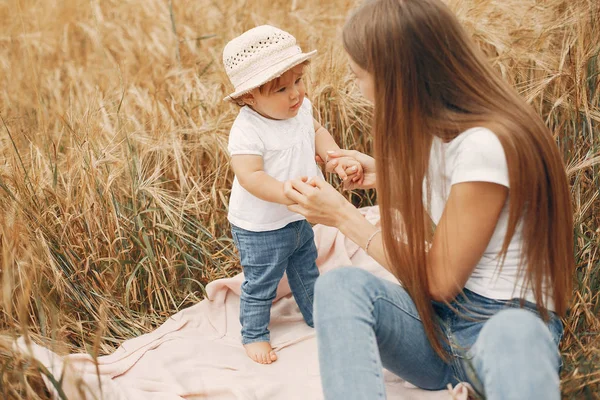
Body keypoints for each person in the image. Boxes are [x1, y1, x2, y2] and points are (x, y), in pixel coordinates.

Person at [283, 0, 573, 398]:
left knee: (515, 332)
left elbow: (438, 282)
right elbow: (458, 192)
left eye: (358, 76)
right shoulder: (443, 131)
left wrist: (344, 217)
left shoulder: (487, 144)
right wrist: (385, 175)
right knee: (339, 287)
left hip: (500, 335)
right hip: (439, 335)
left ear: (394, 77)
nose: (357, 88)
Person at [222, 25, 363, 365]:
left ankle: (317, 313)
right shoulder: (248, 129)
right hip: (261, 226)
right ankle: (254, 334)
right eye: (281, 88)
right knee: (261, 282)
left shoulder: (301, 109)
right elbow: (250, 175)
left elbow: (316, 131)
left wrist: (333, 157)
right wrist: (284, 191)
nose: (295, 94)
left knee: (306, 267)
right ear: (248, 97)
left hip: (301, 214)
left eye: (298, 81)